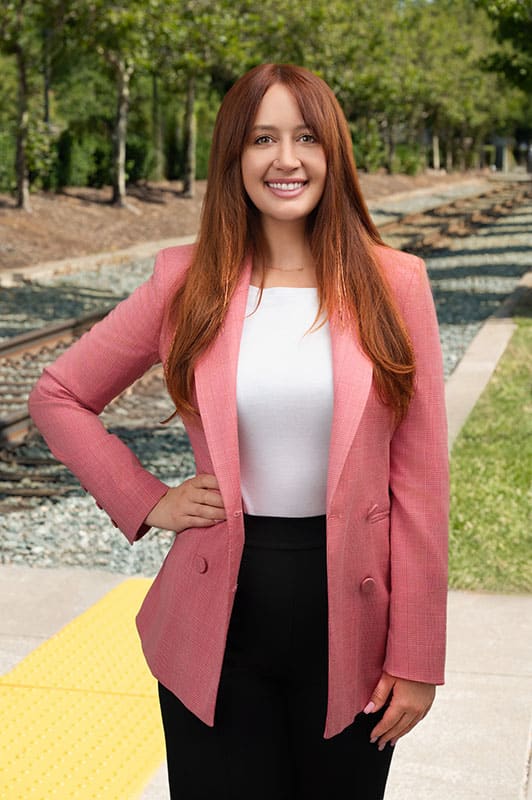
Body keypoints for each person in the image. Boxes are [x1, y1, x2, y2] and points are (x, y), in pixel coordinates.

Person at [29, 63, 449, 800]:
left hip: (354, 626)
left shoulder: (396, 283)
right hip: (213, 630)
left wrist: (418, 654)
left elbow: (420, 484)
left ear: (334, 154)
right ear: (233, 157)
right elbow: (58, 394)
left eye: (306, 138)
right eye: (262, 138)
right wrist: (145, 497)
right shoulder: (183, 283)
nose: (286, 159)